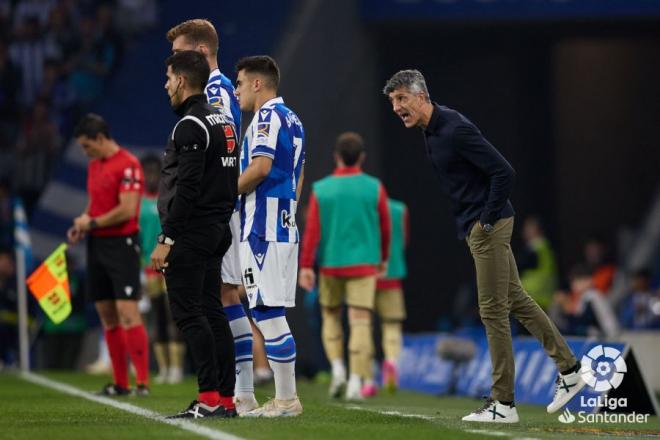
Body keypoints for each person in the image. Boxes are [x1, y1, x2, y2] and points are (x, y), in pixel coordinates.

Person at [383, 69, 585, 423]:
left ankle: (503, 403)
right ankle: (569, 370)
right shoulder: (430, 131)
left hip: (488, 225)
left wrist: (486, 221)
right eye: (393, 102)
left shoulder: (454, 127)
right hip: (478, 226)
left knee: (492, 311)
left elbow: (504, 172)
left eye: (401, 99)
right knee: (517, 301)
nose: (397, 107)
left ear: (421, 96)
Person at [166, 18, 257, 411]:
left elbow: (213, 154)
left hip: (211, 212)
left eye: (178, 54)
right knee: (219, 299)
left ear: (200, 53)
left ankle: (241, 391)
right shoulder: (220, 90)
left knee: (219, 299)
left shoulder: (215, 91)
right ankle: (236, 393)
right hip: (218, 210)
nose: (173, 64)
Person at [152, 50, 239, 419]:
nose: (167, 84)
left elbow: (186, 188)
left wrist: (166, 239)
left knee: (189, 315)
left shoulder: (190, 125)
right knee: (211, 311)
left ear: (183, 80)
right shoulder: (224, 120)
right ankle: (226, 400)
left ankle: (207, 399)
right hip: (218, 228)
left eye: (170, 77)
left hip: (192, 232)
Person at [234, 55, 304, 417]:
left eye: (240, 83)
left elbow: (259, 168)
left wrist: (224, 191)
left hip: (263, 227)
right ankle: (284, 398)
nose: (237, 90)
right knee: (266, 310)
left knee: (267, 312)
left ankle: (287, 399)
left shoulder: (265, 118)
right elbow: (299, 175)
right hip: (282, 224)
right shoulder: (293, 119)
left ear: (258, 84)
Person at [298, 132, 391, 401]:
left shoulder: (321, 189)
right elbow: (385, 228)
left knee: (330, 319)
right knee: (360, 323)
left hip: (330, 266)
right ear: (361, 157)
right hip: (364, 266)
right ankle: (355, 381)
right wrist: (383, 259)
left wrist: (305, 266)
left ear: (336, 157)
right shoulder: (374, 187)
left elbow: (312, 233)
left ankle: (337, 368)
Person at [67, 113, 150, 396]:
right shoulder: (95, 166)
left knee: (128, 311)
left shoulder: (129, 165)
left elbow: (127, 209)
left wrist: (92, 222)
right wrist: (83, 221)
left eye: (87, 146)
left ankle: (142, 382)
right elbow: (96, 203)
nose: (86, 151)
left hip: (122, 244)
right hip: (97, 245)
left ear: (100, 138)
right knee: (107, 315)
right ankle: (120, 383)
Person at [138, 154, 184, 384]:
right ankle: (163, 369)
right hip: (148, 268)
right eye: (147, 172)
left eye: (155, 172)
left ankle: (177, 368)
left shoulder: (168, 197)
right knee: (156, 317)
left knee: (173, 316)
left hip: (170, 264)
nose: (151, 176)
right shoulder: (138, 202)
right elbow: (137, 239)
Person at [375, 197, 408, 394]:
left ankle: (365, 375)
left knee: (362, 324)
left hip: (366, 274)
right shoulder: (400, 209)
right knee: (392, 324)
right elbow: (403, 240)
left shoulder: (366, 207)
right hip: (392, 273)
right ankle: (391, 360)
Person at [518, 216, 558, 310]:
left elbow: (517, 268)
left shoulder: (534, 250)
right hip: (545, 298)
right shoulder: (547, 248)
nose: (525, 232)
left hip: (531, 296)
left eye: (528, 229)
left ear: (537, 230)